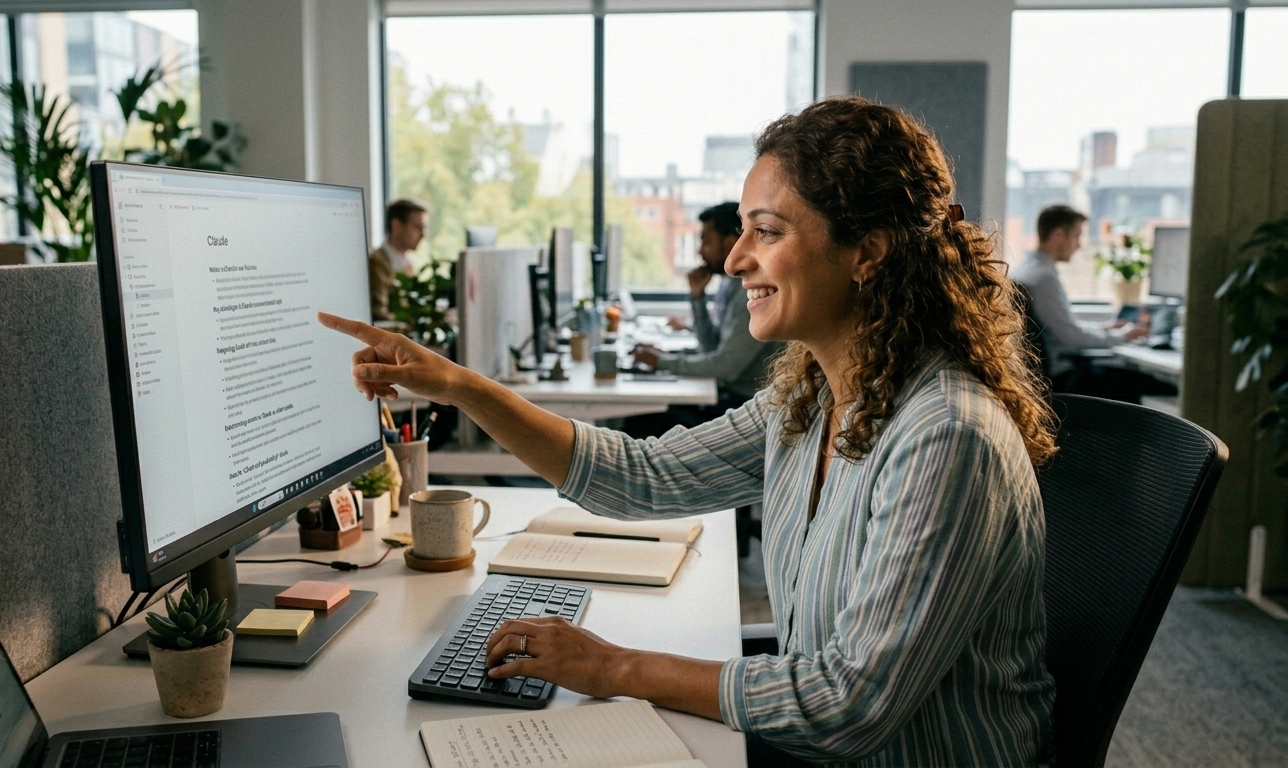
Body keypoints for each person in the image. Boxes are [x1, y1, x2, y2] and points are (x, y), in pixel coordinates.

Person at [319, 97, 1057, 766]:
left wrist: (614, 668)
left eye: (765, 232)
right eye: (742, 230)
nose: (735, 259)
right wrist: (460, 385)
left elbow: (847, 707)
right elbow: (642, 477)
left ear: (866, 251)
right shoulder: (809, 399)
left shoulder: (946, 436)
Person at [625, 202, 780, 436]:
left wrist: (663, 362)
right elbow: (712, 347)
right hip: (731, 397)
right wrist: (697, 298)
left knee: (641, 421)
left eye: (706, 241)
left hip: (747, 408)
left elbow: (725, 367)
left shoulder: (753, 292)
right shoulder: (732, 286)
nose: (700, 251)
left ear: (730, 243)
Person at [1012, 205, 1166, 402]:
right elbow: (1073, 338)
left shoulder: (1028, 270)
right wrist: (1123, 336)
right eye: (1076, 236)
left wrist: (1106, 328)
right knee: (1150, 384)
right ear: (1059, 234)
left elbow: (1064, 328)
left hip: (1057, 371)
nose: (1079, 245)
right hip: (1064, 377)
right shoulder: (1044, 278)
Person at [369, 198, 429, 321]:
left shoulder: (408, 262)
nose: (423, 234)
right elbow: (379, 314)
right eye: (418, 227)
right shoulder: (376, 262)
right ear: (397, 226)